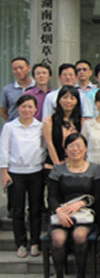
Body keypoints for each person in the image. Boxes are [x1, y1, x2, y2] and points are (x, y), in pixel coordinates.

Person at [48, 133, 100, 278]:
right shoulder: (58, 169)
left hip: (85, 213)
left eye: (79, 145)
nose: (75, 149)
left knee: (79, 236)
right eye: (71, 146)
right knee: (58, 238)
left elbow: (98, 195)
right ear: (65, 150)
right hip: (62, 212)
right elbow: (51, 196)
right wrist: (59, 211)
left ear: (86, 149)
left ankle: (81, 274)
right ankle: (59, 275)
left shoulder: (95, 169)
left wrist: (81, 203)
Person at [0, 95, 46, 258]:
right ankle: (20, 243)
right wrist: (4, 172)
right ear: (18, 108)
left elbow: (45, 147)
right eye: (23, 106)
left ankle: (34, 242)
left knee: (35, 209)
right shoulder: (9, 127)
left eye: (30, 107)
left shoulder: (40, 126)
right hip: (15, 173)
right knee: (17, 210)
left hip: (36, 172)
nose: (27, 110)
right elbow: (4, 149)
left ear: (36, 109)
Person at [43, 85, 83, 168]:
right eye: (65, 97)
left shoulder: (81, 121)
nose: (68, 101)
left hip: (75, 166)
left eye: (72, 98)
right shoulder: (49, 120)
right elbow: (49, 145)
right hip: (53, 166)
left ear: (77, 101)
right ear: (59, 100)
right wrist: (58, 166)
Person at [0, 57, 35, 121]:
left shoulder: (37, 87)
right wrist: (12, 122)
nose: (18, 71)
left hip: (35, 125)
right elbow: (2, 111)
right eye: (15, 69)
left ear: (28, 68)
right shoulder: (7, 89)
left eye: (21, 68)